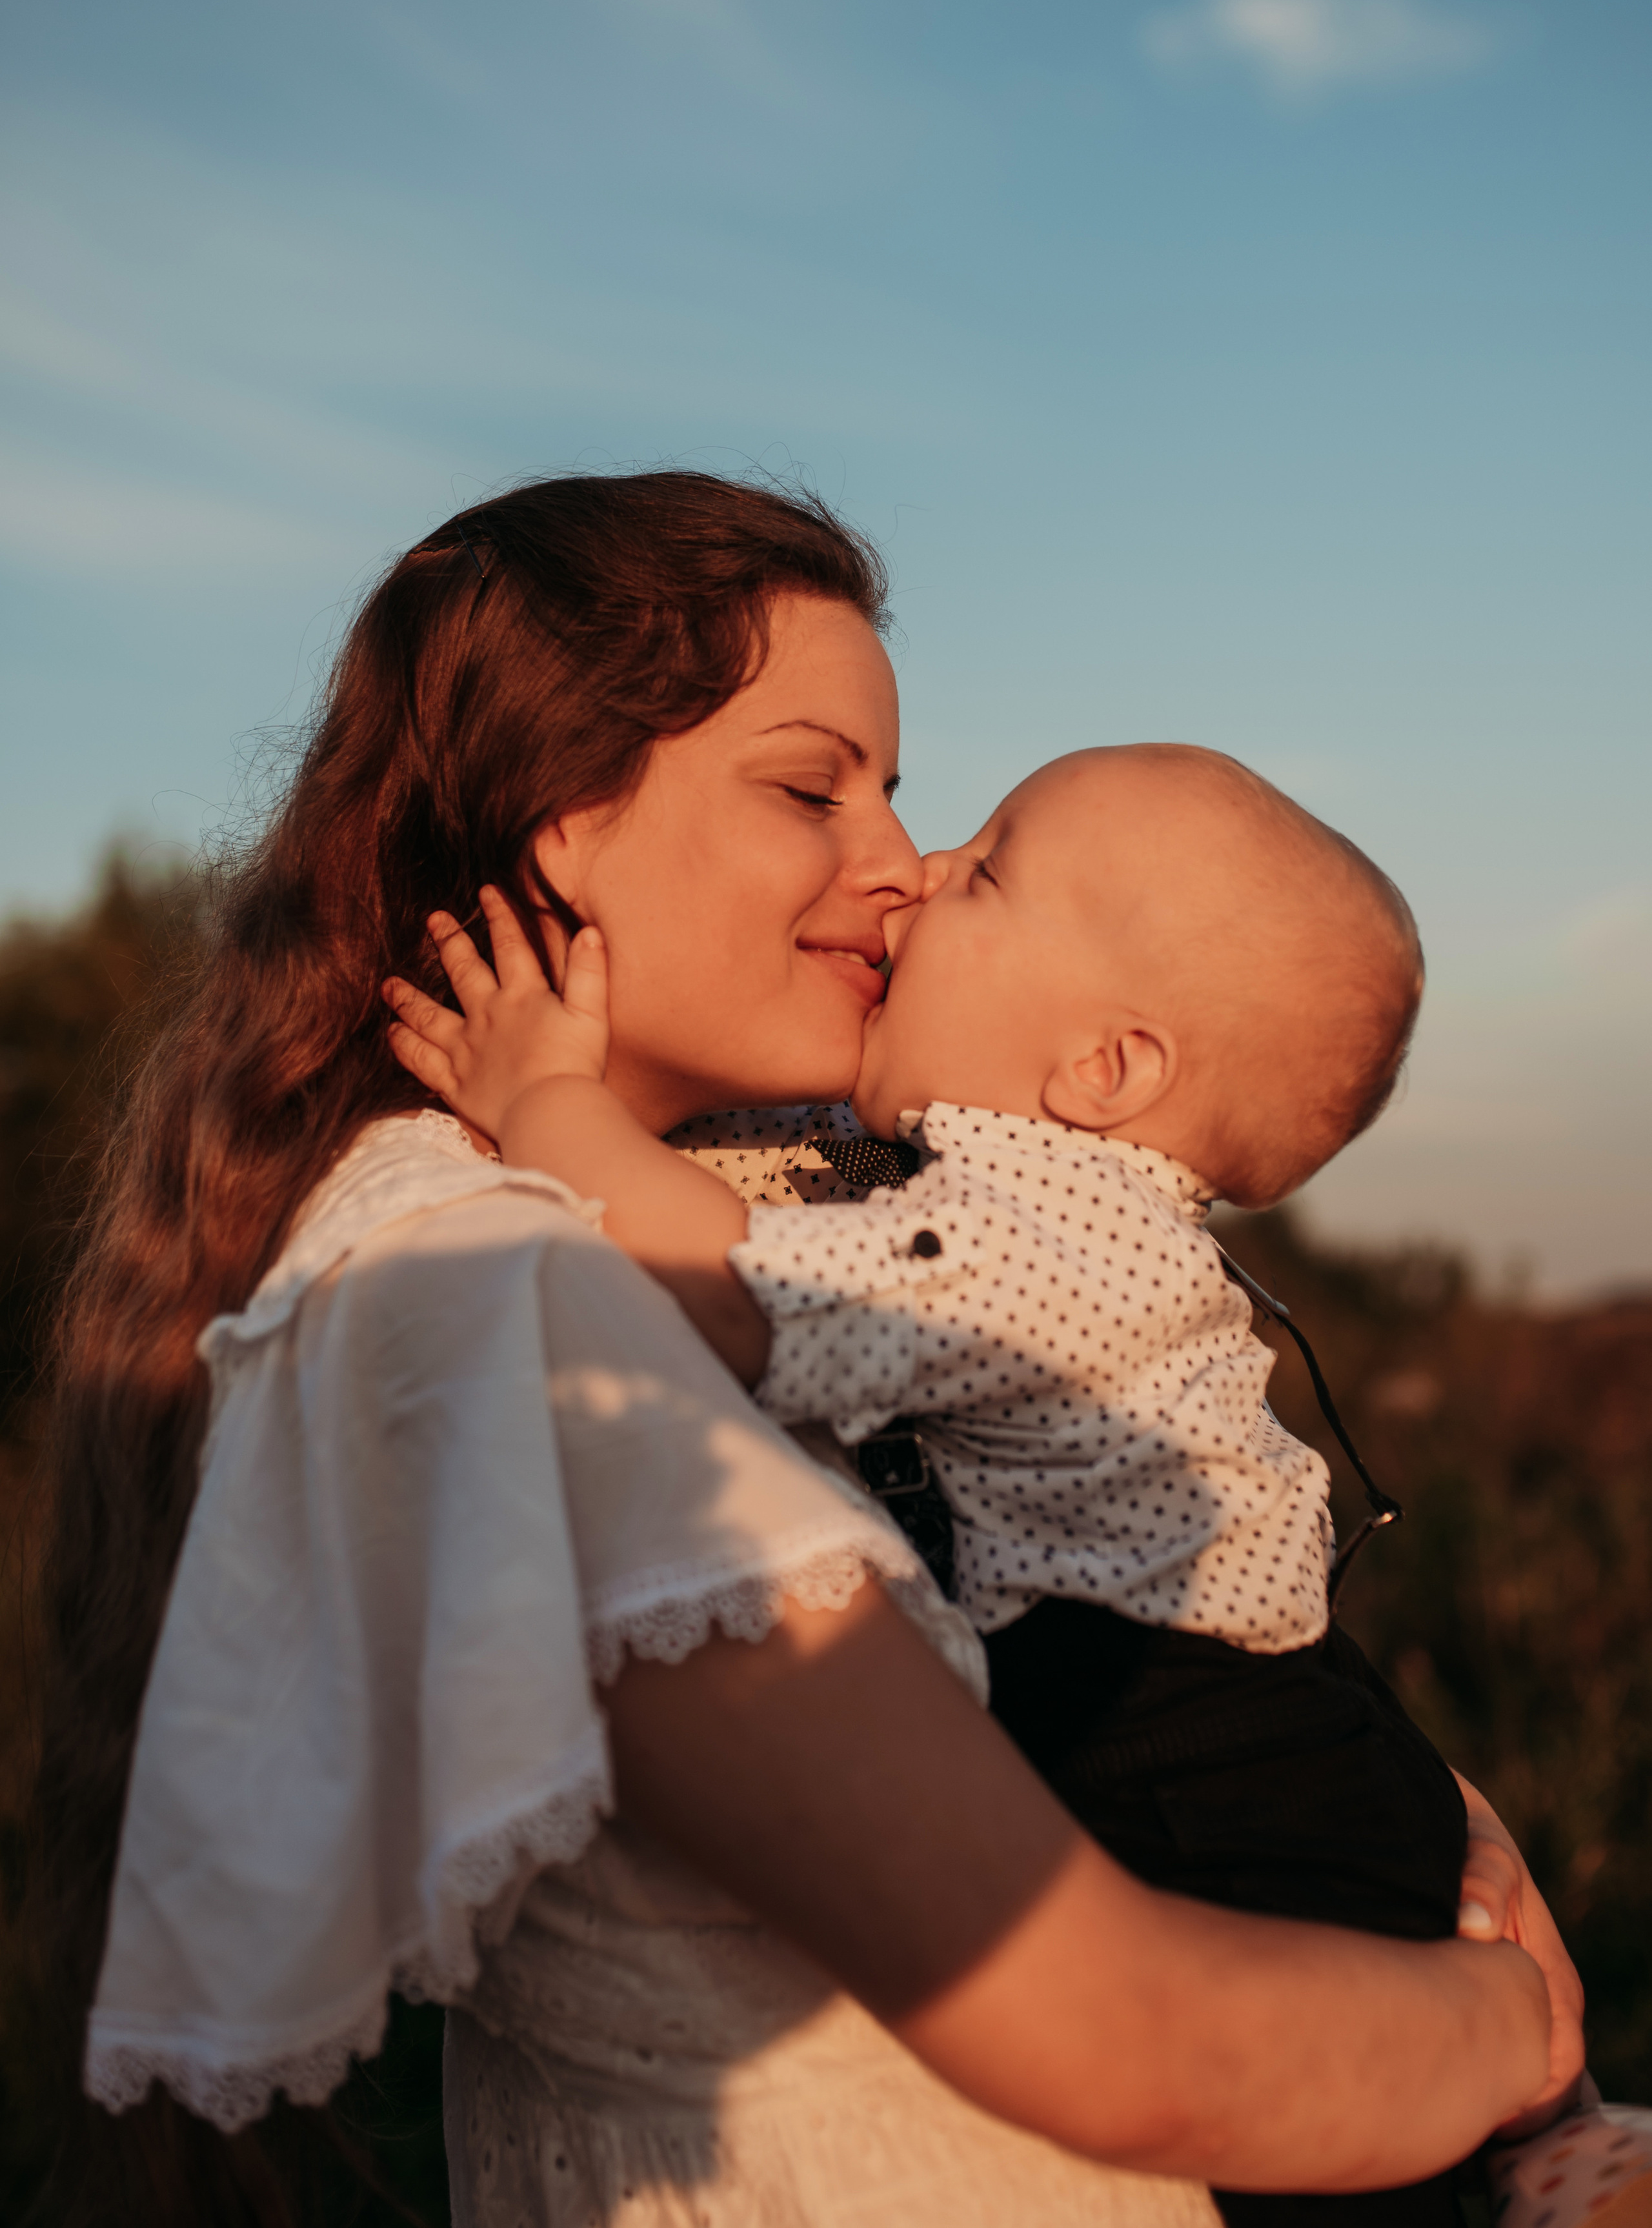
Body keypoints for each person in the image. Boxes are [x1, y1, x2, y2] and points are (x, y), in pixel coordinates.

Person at [33, 474, 1570, 2228]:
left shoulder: (723, 1193)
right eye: (806, 784)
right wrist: (1501, 2022)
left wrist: (1421, 1828)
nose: (898, 867)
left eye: (902, 796)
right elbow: (1115, 2028)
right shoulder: (502, 1295)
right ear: (562, 822)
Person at [383, 741, 1476, 2228]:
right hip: (1210, 1738)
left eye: (986, 869)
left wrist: (546, 1101)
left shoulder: (1045, 1230)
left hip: (1217, 1782)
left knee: (1332, 2170)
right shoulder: (980, 1178)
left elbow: (725, 1282)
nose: (919, 870)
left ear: (1102, 1068)